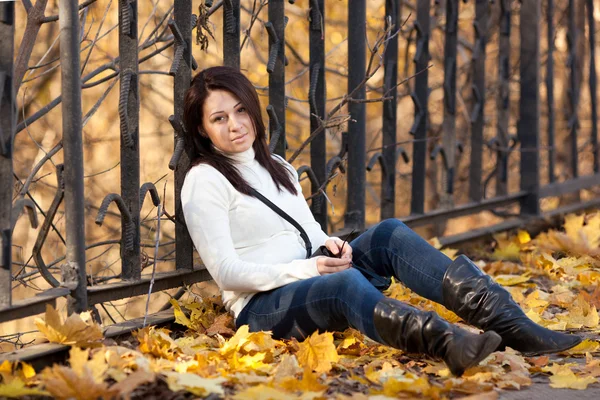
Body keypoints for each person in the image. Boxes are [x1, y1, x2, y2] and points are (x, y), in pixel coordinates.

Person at [180, 66, 581, 377]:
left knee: (388, 233)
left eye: (240, 110)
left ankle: (513, 326)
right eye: (219, 119)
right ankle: (448, 344)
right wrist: (307, 268)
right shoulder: (204, 181)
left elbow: (303, 231)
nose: (235, 125)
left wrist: (331, 243)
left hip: (314, 275)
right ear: (201, 128)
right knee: (342, 284)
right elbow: (228, 273)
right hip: (264, 308)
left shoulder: (276, 165)